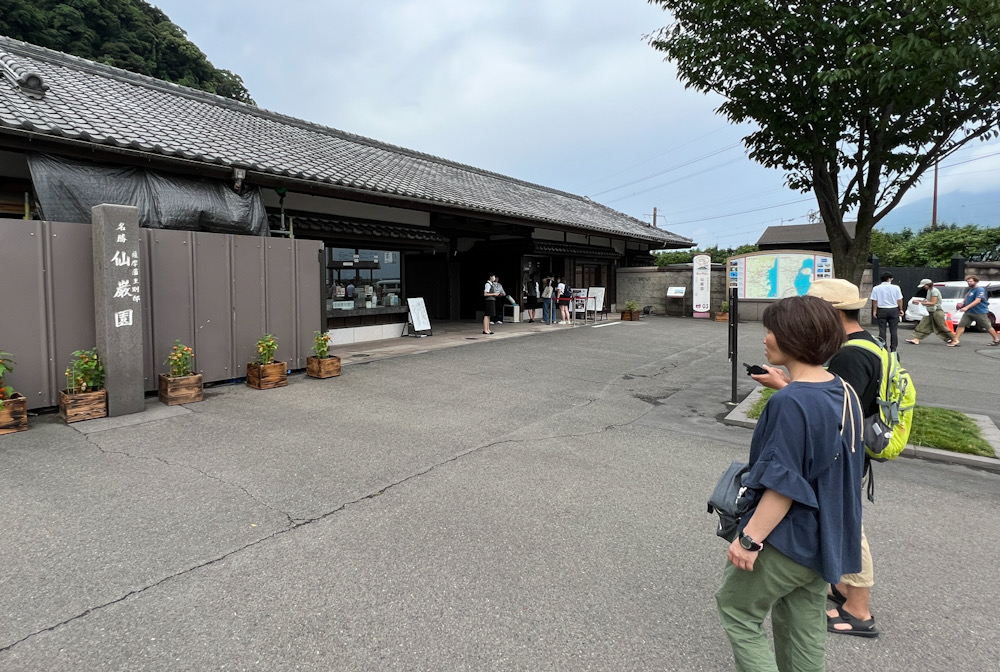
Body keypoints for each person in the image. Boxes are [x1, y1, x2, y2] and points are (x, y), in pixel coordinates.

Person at [717, 294, 865, 670]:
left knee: (737, 610)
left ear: (791, 339)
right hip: (825, 539)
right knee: (803, 627)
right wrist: (786, 385)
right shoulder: (842, 390)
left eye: (771, 330)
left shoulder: (790, 404)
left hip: (787, 539)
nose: (765, 338)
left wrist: (749, 541)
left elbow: (784, 484)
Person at [752, 278, 881, 639]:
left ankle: (857, 606)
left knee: (846, 528)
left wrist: (750, 539)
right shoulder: (866, 345)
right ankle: (834, 580)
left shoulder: (850, 356)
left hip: (830, 465)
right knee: (804, 620)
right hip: (845, 453)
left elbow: (790, 471)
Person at [948, 275, 1000, 348]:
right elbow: (967, 297)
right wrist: (963, 303)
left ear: (975, 281)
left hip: (979, 311)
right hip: (969, 312)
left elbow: (977, 300)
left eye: (971, 281)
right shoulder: (970, 290)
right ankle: (955, 340)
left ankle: (996, 339)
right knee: (961, 325)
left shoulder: (980, 289)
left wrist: (966, 307)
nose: (969, 283)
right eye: (968, 281)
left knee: (987, 326)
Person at [905, 279, 953, 346]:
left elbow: (933, 302)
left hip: (936, 311)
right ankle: (916, 339)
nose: (924, 287)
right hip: (930, 311)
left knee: (941, 326)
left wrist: (920, 302)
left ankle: (954, 339)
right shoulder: (930, 291)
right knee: (923, 324)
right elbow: (927, 300)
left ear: (928, 285)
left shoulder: (934, 291)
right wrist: (919, 301)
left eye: (924, 285)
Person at [870, 272, 903, 351]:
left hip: (881, 309)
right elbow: (899, 300)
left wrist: (875, 311)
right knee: (894, 330)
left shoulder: (876, 288)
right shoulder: (896, 288)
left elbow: (875, 301)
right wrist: (901, 309)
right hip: (893, 309)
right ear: (889, 279)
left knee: (882, 330)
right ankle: (893, 348)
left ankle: (883, 347)